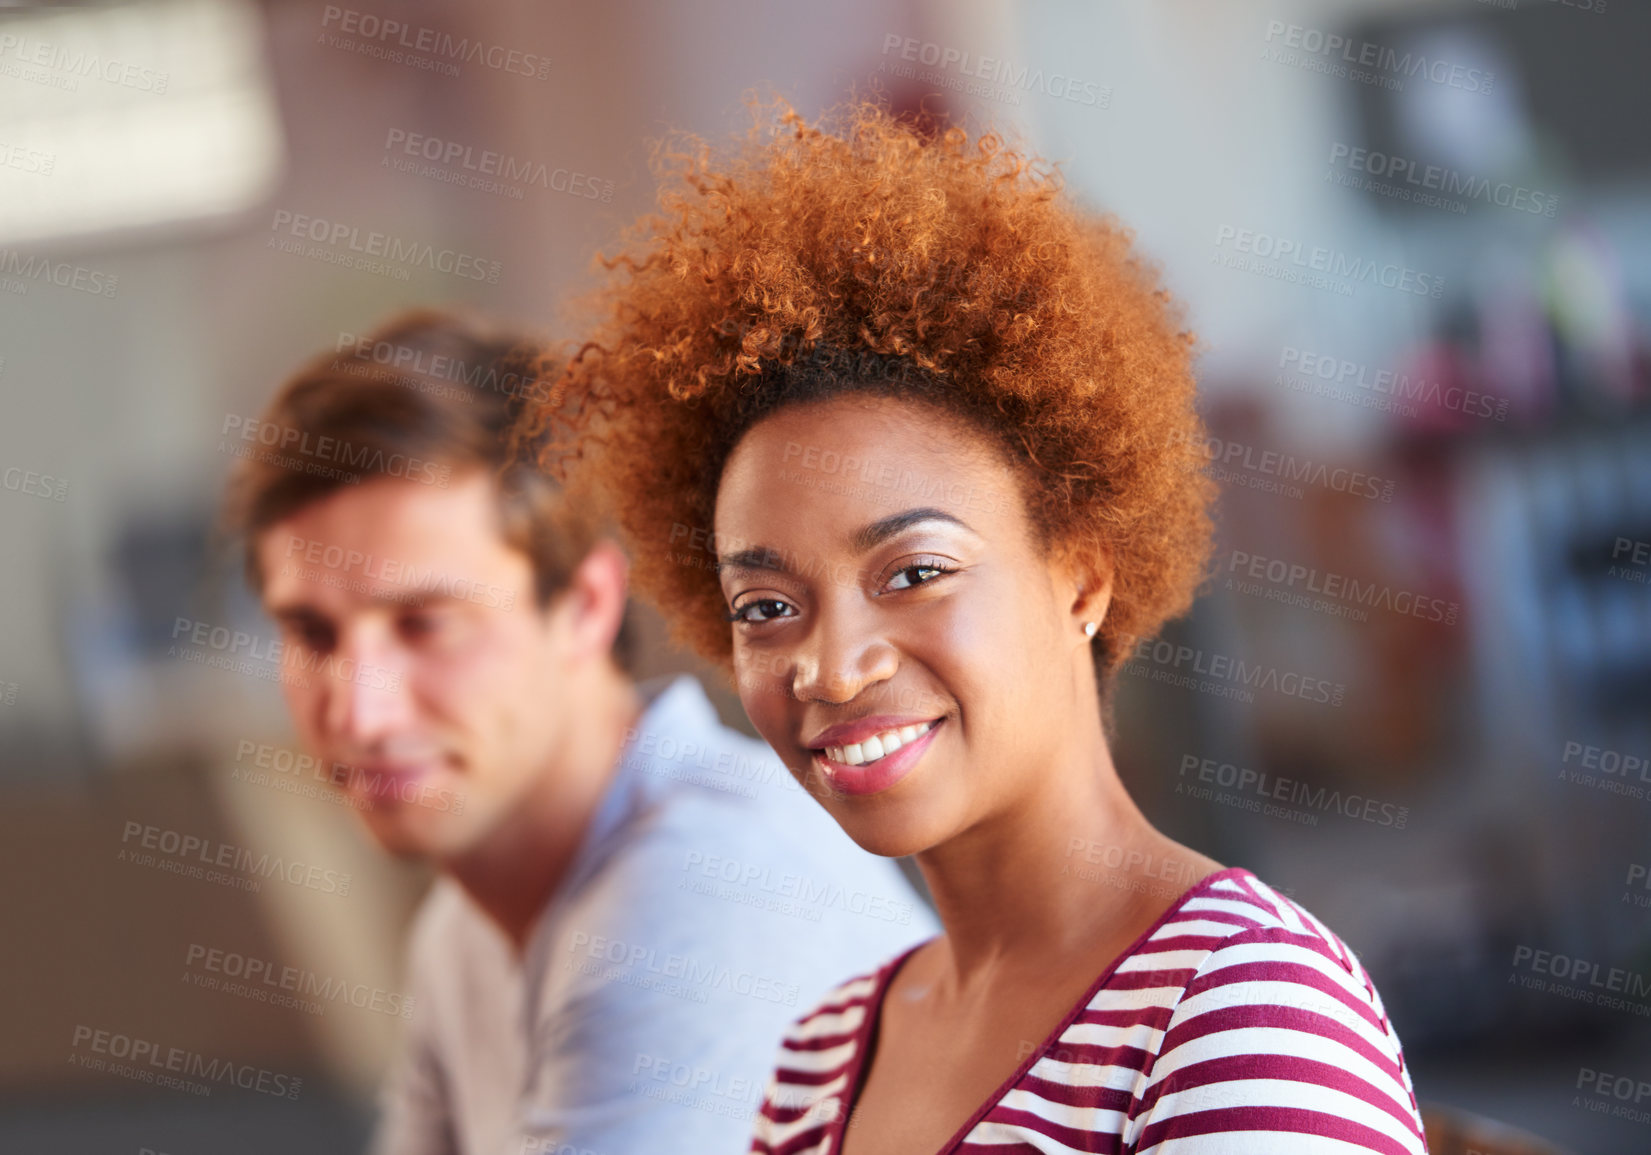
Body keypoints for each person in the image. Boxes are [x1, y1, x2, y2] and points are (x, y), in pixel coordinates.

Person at [544, 100, 1428, 1153]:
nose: (830, 667)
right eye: (768, 608)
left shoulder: (1240, 1016)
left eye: (914, 571)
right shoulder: (823, 1059)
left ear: (1082, 578)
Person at [219, 307, 934, 1155]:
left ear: (585, 607)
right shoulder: (465, 930)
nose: (358, 713)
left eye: (425, 624)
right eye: (311, 635)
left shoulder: (704, 895)